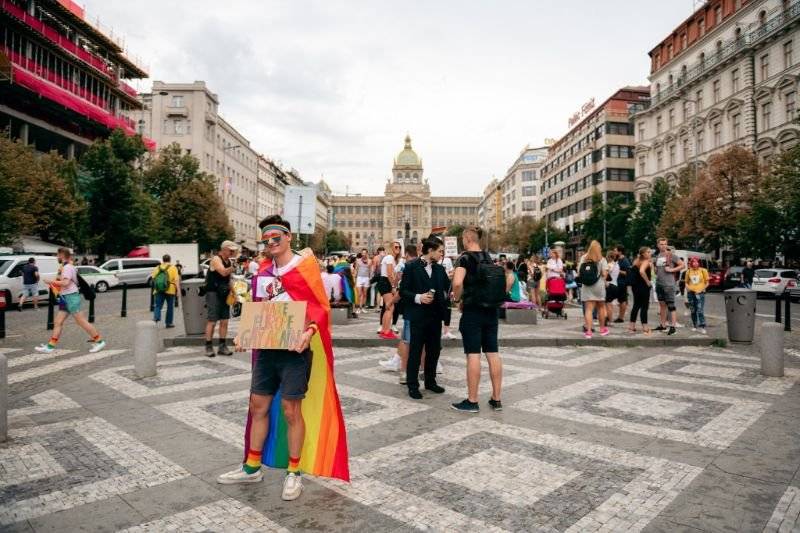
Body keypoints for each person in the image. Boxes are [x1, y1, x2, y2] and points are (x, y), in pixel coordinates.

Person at [219, 215, 350, 498]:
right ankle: (252, 466)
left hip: (295, 349)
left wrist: (309, 331)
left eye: (275, 238)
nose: (270, 244)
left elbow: (319, 307)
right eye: (266, 240)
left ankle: (294, 471)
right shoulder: (264, 270)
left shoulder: (305, 267)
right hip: (267, 348)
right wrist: (245, 333)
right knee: (258, 405)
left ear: (288, 237)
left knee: (291, 410)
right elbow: (257, 307)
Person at [451, 226, 503, 413]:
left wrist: (457, 298)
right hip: (491, 311)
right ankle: (496, 399)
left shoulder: (464, 258)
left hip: (473, 311)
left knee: (473, 354)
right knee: (492, 353)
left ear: (467, 238)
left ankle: (472, 401)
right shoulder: (488, 257)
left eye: (463, 238)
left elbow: (457, 282)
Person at [400, 238, 449, 399]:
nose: (442, 254)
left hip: (435, 317)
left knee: (434, 351)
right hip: (417, 316)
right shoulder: (411, 267)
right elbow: (403, 292)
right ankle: (412, 385)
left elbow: (447, 292)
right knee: (415, 351)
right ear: (430, 250)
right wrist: (418, 297)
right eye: (440, 251)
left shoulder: (440, 270)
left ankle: (430, 381)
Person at [35, 247, 105, 354]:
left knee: (81, 321)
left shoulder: (67, 267)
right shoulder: (66, 266)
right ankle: (50, 347)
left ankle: (100, 341)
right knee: (58, 322)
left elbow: (65, 283)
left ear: (62, 255)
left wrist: (50, 282)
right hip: (66, 298)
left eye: (57, 255)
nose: (56, 257)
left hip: (71, 297)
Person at [204, 241, 239, 357]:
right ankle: (208, 346)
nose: (232, 252)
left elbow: (228, 280)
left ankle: (222, 346)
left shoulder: (229, 261)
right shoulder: (216, 259)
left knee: (224, 320)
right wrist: (233, 267)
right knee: (212, 320)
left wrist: (235, 294)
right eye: (231, 250)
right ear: (224, 249)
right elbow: (223, 272)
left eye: (233, 250)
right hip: (213, 293)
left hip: (224, 293)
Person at [578, 240, 609, 339]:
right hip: (599, 285)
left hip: (587, 286)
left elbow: (579, 273)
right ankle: (602, 329)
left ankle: (588, 331)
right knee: (601, 308)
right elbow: (604, 274)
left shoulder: (584, 258)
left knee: (588, 309)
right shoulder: (602, 259)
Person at [654, 238, 684, 335]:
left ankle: (673, 327)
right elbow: (658, 269)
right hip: (659, 283)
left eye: (665, 244)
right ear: (658, 245)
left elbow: (682, 265)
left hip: (669, 284)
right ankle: (663, 325)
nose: (663, 246)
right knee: (662, 306)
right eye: (661, 244)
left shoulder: (671, 255)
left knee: (671, 306)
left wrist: (672, 270)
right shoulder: (657, 256)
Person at [377, 241, 401, 339]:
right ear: (391, 248)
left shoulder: (392, 259)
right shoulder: (390, 257)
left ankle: (384, 330)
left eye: (399, 247)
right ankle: (386, 331)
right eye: (396, 247)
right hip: (385, 282)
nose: (398, 249)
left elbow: (393, 275)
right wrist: (393, 287)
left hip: (385, 282)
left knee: (388, 307)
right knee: (390, 307)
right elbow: (389, 273)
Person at [628, 247, 653, 335]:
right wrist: (648, 282)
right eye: (648, 252)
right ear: (643, 254)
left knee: (636, 306)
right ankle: (645, 328)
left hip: (636, 287)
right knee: (644, 307)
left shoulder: (636, 261)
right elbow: (642, 271)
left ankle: (631, 327)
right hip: (643, 286)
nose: (650, 253)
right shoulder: (645, 262)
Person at [151, 254, 180, 329]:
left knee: (158, 305)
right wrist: (178, 291)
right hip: (170, 289)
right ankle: (168, 323)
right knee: (170, 307)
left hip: (158, 289)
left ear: (163, 260)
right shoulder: (173, 268)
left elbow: (153, 279)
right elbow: (176, 280)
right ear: (170, 260)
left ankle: (156, 317)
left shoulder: (157, 267)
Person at [685, 257, 709, 334]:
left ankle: (702, 326)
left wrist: (701, 289)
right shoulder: (688, 271)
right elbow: (686, 282)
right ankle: (695, 325)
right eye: (693, 262)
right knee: (693, 310)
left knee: (700, 310)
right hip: (691, 293)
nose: (695, 263)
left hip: (700, 293)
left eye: (696, 262)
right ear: (691, 263)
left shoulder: (703, 270)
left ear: (699, 263)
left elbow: (707, 283)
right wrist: (688, 288)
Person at [441, 253, 456, 340]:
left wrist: (451, 275)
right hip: (436, 286)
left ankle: (446, 331)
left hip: (447, 286)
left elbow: (450, 273)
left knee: (448, 307)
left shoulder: (447, 260)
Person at [615, 245, 631, 322]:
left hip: (622, 283)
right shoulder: (617, 259)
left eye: (615, 251)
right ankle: (619, 316)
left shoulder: (625, 261)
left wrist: (617, 270)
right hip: (617, 283)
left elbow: (628, 273)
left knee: (622, 300)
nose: (614, 252)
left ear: (620, 252)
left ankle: (621, 318)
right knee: (620, 300)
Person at [604, 251, 620, 321]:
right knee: (610, 303)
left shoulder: (609, 265)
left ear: (609, 257)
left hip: (610, 285)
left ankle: (609, 319)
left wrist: (604, 282)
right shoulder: (617, 265)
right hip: (615, 285)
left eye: (607, 256)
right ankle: (609, 318)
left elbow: (605, 275)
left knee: (608, 304)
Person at [354, 249, 371, 314]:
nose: (363, 254)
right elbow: (356, 269)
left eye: (365, 253)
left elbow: (370, 270)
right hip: (359, 278)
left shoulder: (370, 261)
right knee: (359, 294)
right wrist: (355, 279)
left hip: (366, 278)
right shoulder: (358, 260)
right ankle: (358, 307)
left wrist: (369, 279)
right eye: (362, 253)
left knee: (365, 294)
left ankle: (363, 307)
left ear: (367, 254)